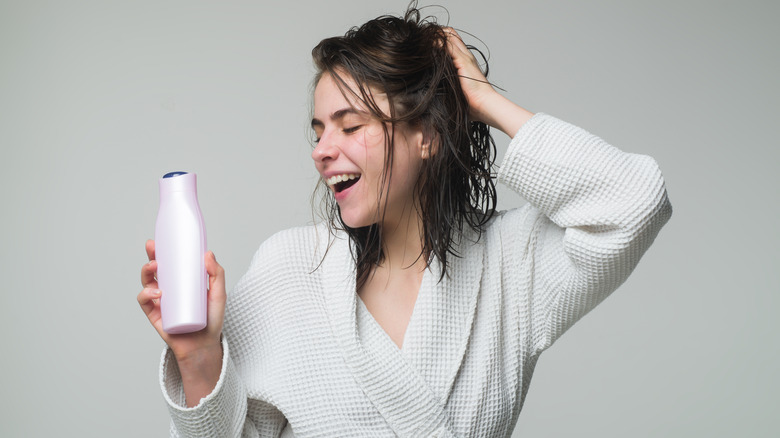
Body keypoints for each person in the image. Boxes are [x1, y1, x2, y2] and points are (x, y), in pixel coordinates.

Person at [138, 4, 672, 437]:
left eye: (351, 126)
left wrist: (481, 99)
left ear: (427, 135)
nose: (322, 150)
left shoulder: (512, 262)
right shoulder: (288, 269)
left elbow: (633, 202)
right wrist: (200, 355)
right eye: (318, 130)